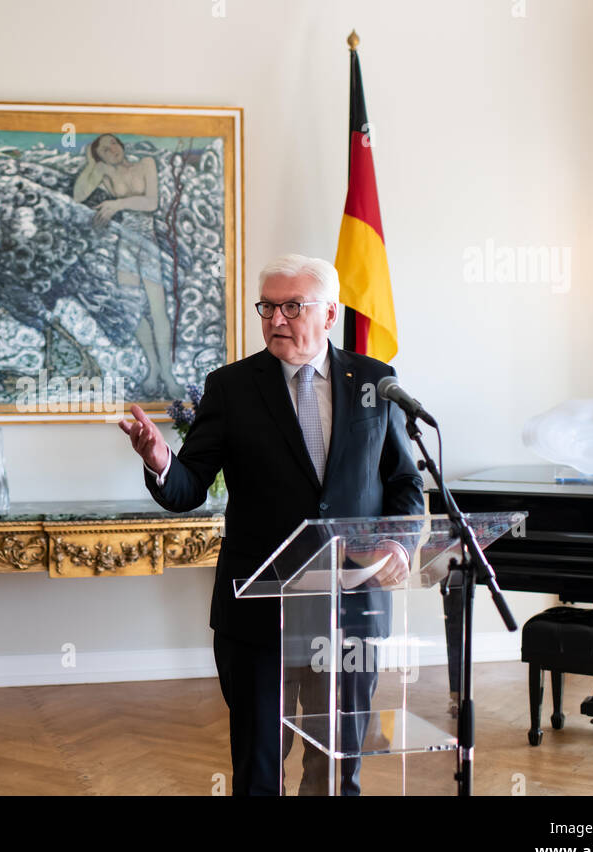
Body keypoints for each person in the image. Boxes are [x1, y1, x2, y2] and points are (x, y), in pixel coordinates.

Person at [118, 254, 424, 795]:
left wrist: (399, 542)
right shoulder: (232, 388)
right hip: (261, 612)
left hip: (351, 605)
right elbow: (189, 485)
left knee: (336, 768)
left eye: (292, 307)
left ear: (329, 314)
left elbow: (404, 484)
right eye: (268, 307)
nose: (276, 319)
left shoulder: (376, 383)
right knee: (259, 767)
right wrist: (161, 460)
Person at [74, 133, 179, 398]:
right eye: (104, 150)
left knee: (158, 309)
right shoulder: (105, 174)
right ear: (101, 157)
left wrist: (117, 203)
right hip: (126, 246)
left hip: (149, 243)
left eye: (113, 144)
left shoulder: (145, 164)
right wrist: (90, 165)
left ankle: (167, 372)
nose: (111, 150)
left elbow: (151, 202)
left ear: (121, 145)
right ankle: (153, 368)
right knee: (133, 310)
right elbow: (78, 196)